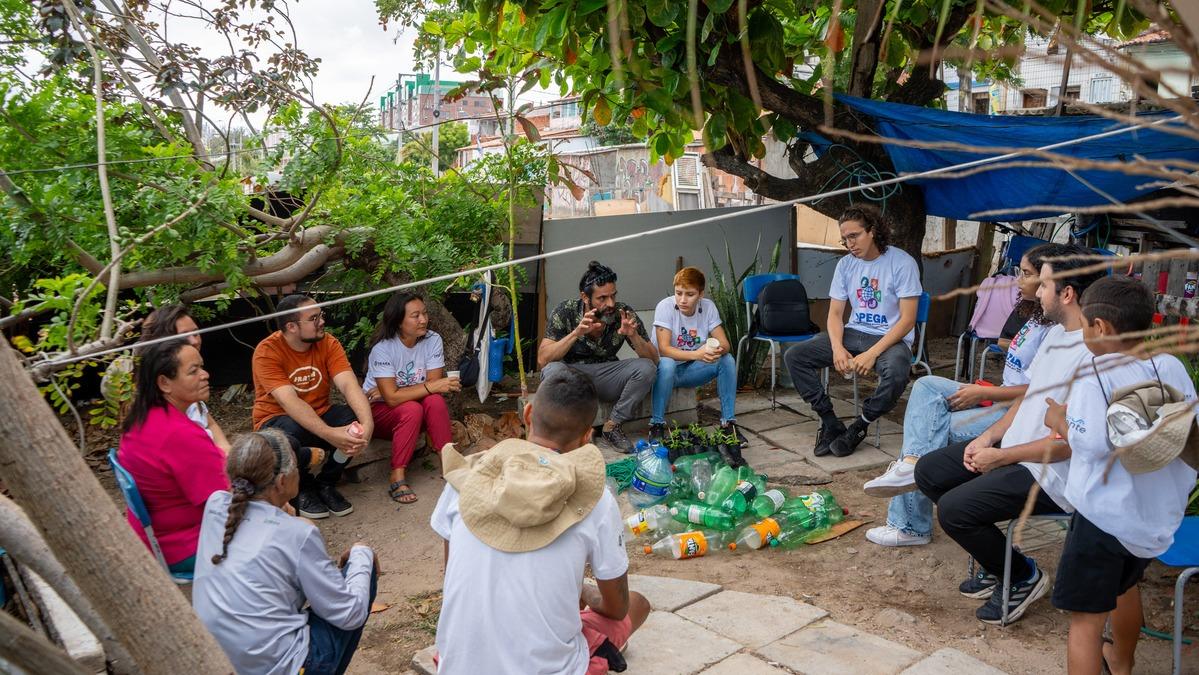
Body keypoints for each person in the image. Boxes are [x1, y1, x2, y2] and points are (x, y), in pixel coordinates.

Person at [913, 243, 1105, 625]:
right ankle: (1000, 561)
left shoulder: (1092, 354)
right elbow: (1028, 399)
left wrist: (1001, 457)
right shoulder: (1054, 334)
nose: (1037, 290)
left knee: (955, 510)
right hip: (1017, 452)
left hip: (1050, 475)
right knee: (930, 471)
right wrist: (988, 439)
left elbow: (1069, 444)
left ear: (1067, 294)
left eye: (1045, 284)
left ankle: (1022, 576)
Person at [431, 367, 652, 675]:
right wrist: (584, 592)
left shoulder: (465, 480)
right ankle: (597, 650)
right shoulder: (595, 499)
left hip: (458, 664)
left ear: (528, 413)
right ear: (587, 436)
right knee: (637, 604)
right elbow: (617, 607)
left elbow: (451, 575)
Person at [1043, 276, 1196, 675]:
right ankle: (1121, 665)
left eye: (1087, 325)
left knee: (1085, 622)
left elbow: (1090, 443)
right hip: (1149, 521)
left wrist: (1059, 419)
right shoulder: (1170, 366)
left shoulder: (1096, 372)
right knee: (1125, 588)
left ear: (1101, 328)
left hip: (1103, 521)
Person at [862, 245, 1056, 547]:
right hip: (1000, 399)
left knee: (930, 430)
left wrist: (982, 392)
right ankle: (912, 466)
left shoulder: (1056, 330)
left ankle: (910, 526)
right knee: (926, 387)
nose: (1019, 280)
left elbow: (1039, 391)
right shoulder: (1034, 316)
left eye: (1029, 275)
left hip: (1015, 412)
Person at [194, 431, 378, 675]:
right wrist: (362, 554)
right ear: (281, 482)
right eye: (296, 466)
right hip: (284, 667)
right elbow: (350, 615)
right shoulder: (297, 534)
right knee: (362, 571)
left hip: (223, 661)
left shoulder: (215, 504)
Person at [783, 205, 923, 458]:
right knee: (795, 356)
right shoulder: (846, 265)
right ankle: (830, 422)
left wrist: (872, 353)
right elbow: (835, 314)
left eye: (854, 236)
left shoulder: (902, 263)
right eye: (845, 238)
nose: (849, 244)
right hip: (853, 332)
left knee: (897, 371)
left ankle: (861, 425)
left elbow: (907, 321)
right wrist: (837, 347)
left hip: (890, 339)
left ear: (872, 231)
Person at [252, 294, 374, 520]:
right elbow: (290, 402)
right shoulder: (267, 351)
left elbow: (348, 384)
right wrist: (330, 434)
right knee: (291, 432)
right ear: (291, 327)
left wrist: (367, 424)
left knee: (351, 421)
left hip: (318, 415)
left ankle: (327, 482)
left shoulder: (328, 342)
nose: (322, 322)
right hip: (276, 421)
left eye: (321, 315)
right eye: (314, 318)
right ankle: (303, 487)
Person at [116, 339, 229, 575]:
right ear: (164, 382)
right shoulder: (179, 433)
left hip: (156, 538)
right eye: (193, 371)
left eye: (202, 366)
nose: (205, 375)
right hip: (186, 545)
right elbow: (225, 500)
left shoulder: (141, 418)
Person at [539, 260, 658, 452]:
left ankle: (612, 427)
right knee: (553, 370)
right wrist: (576, 333)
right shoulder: (565, 311)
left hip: (607, 377)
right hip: (574, 379)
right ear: (585, 297)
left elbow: (653, 359)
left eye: (613, 296)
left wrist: (633, 336)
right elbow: (543, 359)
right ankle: (569, 432)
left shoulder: (623, 312)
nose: (610, 303)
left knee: (646, 368)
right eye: (602, 298)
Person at [362, 291, 459, 505]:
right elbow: (393, 400)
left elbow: (432, 390)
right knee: (412, 408)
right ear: (398, 321)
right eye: (415, 316)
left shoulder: (433, 340)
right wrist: (397, 393)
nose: (423, 320)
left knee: (434, 401)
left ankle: (449, 466)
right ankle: (397, 475)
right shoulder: (384, 349)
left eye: (424, 313)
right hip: (377, 414)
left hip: (410, 406)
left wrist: (397, 390)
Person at [102, 303, 231, 451]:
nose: (194, 341)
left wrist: (226, 450)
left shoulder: (181, 385)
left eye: (195, 333)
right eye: (183, 335)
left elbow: (209, 423)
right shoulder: (157, 403)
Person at [649, 267, 745, 445]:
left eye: (690, 294)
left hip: (689, 370)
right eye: (679, 293)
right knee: (668, 363)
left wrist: (713, 351)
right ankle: (656, 425)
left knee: (727, 360)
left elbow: (725, 344)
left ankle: (728, 424)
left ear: (701, 294)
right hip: (663, 372)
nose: (683, 299)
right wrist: (698, 354)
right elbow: (663, 349)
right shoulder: (665, 306)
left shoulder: (708, 307)